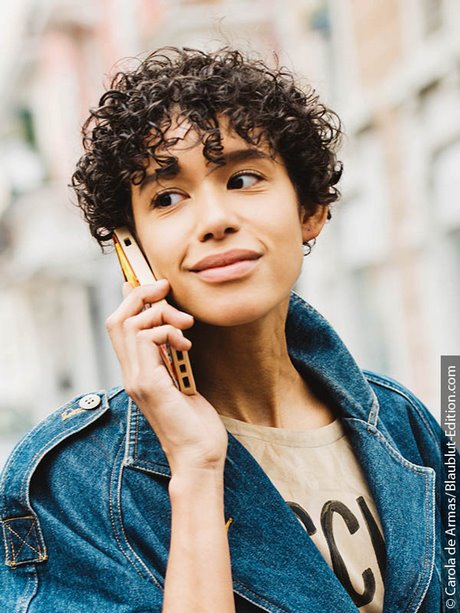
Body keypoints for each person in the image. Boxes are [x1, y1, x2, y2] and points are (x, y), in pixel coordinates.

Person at [0, 47, 452, 612]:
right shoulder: (72, 484)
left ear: (309, 209)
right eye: (167, 197)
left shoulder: (405, 425)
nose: (215, 220)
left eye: (242, 178)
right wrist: (194, 468)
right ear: (130, 250)